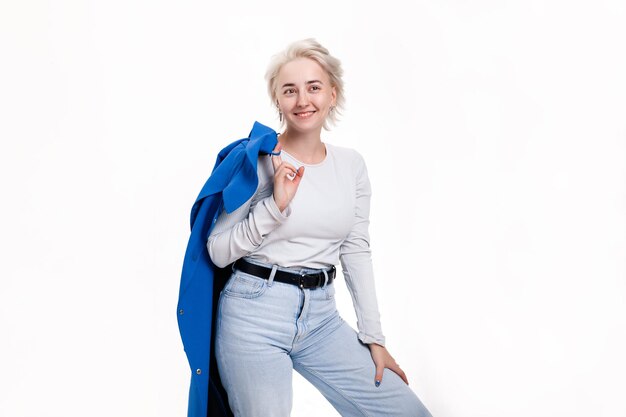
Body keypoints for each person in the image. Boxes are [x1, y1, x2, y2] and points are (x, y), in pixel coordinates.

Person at [206, 38, 432, 417]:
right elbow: (217, 249)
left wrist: (373, 338)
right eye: (289, 90)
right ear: (277, 100)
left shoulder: (351, 166)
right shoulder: (259, 159)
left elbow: (356, 250)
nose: (302, 100)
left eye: (313, 87)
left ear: (332, 93)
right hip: (253, 315)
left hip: (322, 318)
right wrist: (274, 206)